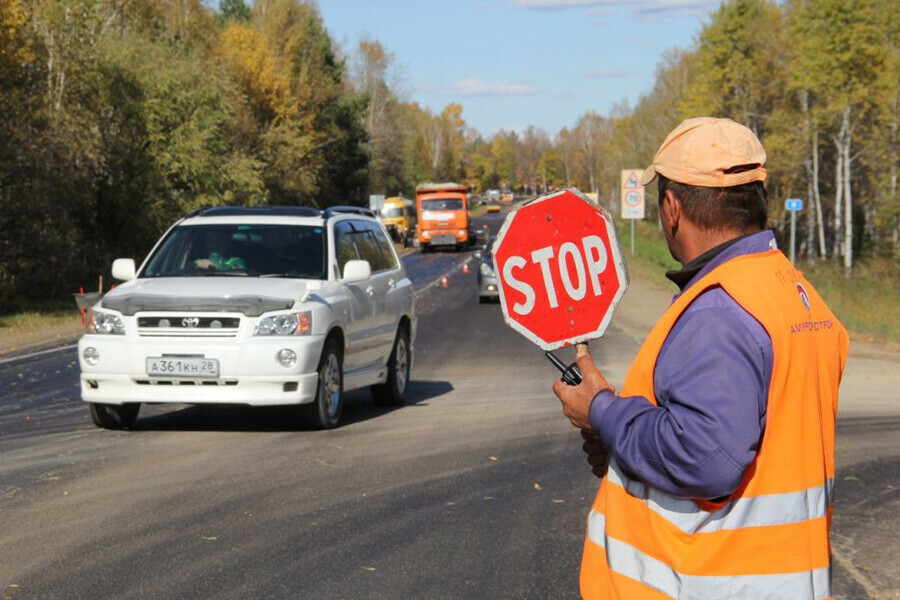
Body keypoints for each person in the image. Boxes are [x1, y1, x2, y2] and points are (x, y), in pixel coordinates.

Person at [553, 117, 848, 599]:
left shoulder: (718, 310)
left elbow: (708, 458)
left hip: (710, 584)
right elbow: (760, 443)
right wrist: (625, 451)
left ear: (671, 208)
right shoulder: (794, 294)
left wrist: (601, 410)